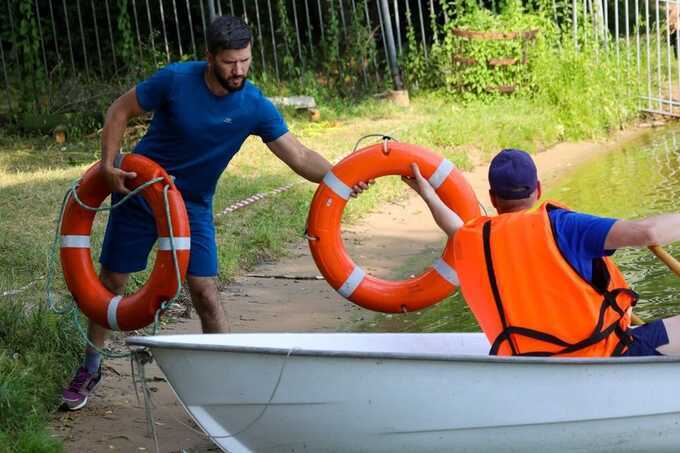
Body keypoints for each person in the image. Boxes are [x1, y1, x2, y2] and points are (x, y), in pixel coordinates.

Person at [61, 15, 369, 410]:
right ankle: (90, 367)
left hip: (193, 206)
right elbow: (119, 110)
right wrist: (107, 165)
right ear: (210, 57)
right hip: (143, 193)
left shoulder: (254, 104)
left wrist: (341, 180)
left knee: (206, 293)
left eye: (245, 60)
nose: (238, 70)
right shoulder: (175, 80)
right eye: (229, 62)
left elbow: (299, 155)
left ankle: (225, 386)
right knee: (113, 281)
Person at [403, 148, 680, 357]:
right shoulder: (564, 226)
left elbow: (453, 227)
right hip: (604, 356)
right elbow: (649, 233)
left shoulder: (473, 239)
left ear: (492, 198)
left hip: (529, 363)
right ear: (537, 189)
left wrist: (428, 195)